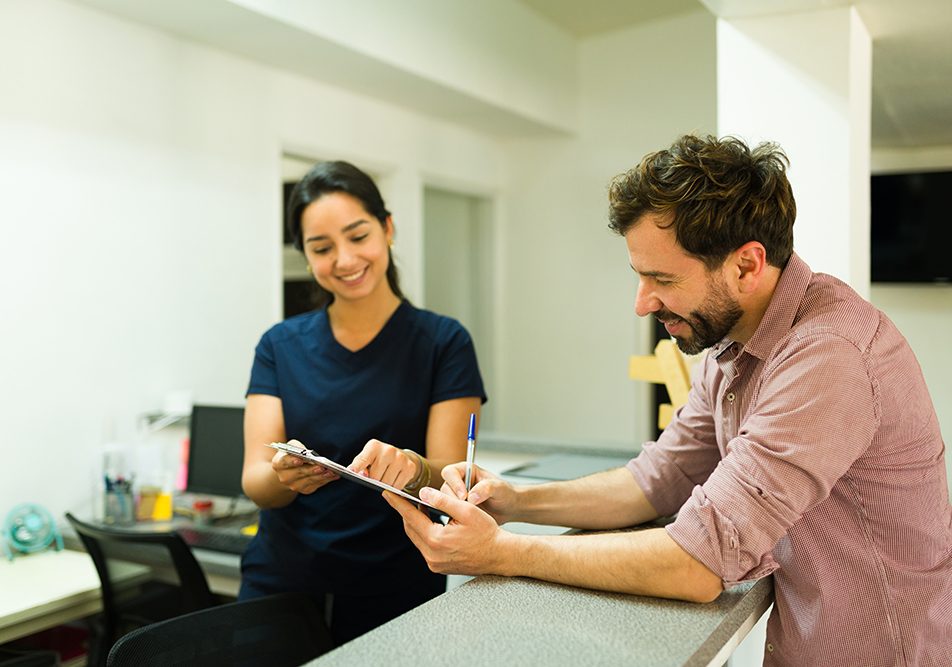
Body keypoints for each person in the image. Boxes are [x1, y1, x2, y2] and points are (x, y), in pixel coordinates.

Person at [384, 135, 952, 666]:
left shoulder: (828, 357)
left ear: (747, 265)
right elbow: (657, 479)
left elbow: (698, 563)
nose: (642, 303)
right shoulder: (736, 340)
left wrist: (502, 553)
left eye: (662, 278)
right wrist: (515, 501)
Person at [239, 160, 486, 646]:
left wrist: (412, 466)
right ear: (306, 256)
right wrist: (283, 474)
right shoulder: (279, 345)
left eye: (357, 236)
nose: (345, 259)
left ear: (387, 228)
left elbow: (455, 475)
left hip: (394, 590)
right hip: (283, 586)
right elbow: (256, 481)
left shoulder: (443, 342)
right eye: (322, 247)